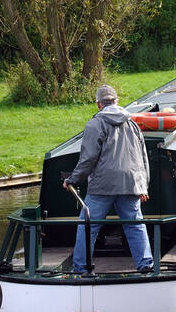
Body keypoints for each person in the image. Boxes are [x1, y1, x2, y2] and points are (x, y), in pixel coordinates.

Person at [62, 84, 154, 275]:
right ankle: (146, 264)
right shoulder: (132, 124)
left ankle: (81, 267)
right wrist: (143, 185)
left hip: (102, 186)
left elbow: (88, 158)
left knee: (87, 225)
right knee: (135, 224)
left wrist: (73, 179)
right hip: (131, 183)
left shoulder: (94, 125)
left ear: (98, 105)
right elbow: (142, 156)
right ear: (117, 102)